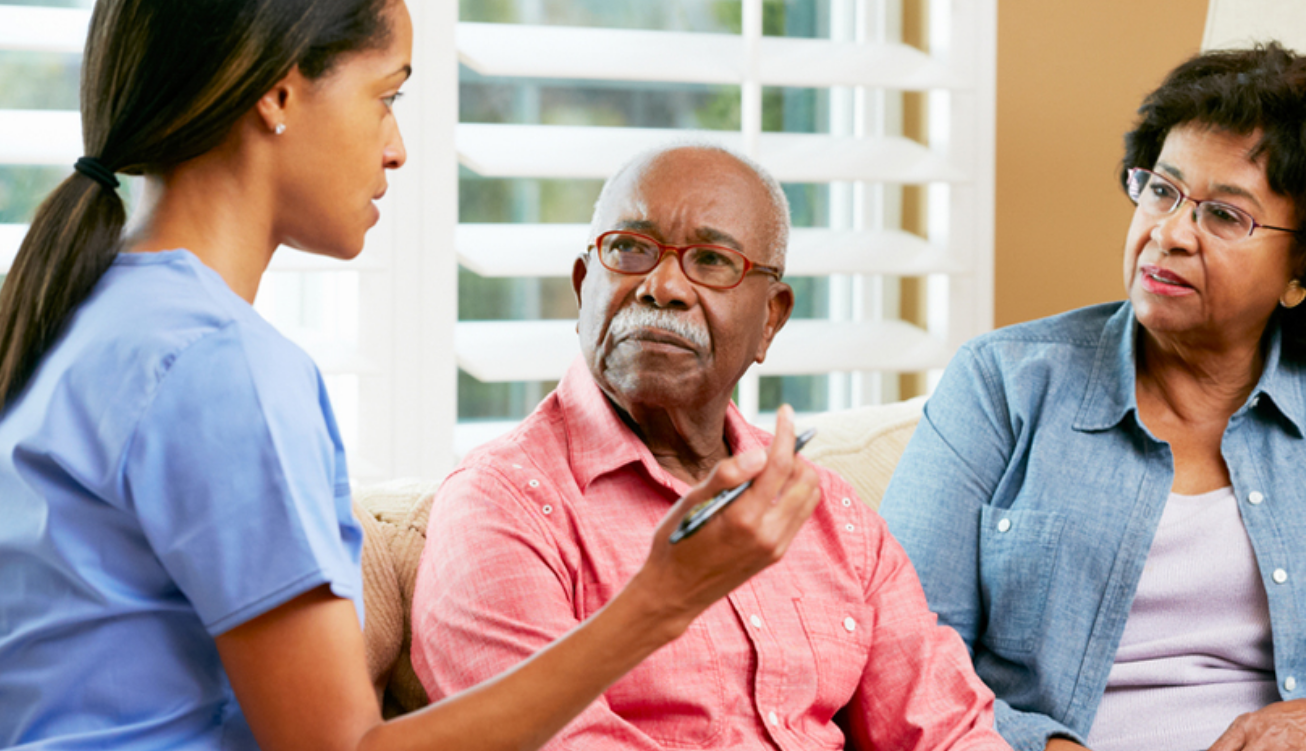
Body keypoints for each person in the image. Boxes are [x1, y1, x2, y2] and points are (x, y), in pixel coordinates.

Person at [0, 2, 821, 749]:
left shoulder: (79, 317)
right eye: (387, 97)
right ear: (277, 95)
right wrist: (662, 601)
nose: (398, 149)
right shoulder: (222, 365)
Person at [879, 43, 1306, 751]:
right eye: (1162, 190)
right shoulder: (1002, 384)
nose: (1168, 233)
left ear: (1304, 266)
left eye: (1224, 215)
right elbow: (899, 658)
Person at [410, 143, 1012, 751]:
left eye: (711, 260)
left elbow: (948, 728)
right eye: (630, 249)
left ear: (771, 319)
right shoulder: (501, 504)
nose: (662, 286)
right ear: (582, 285)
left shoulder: (834, 515)